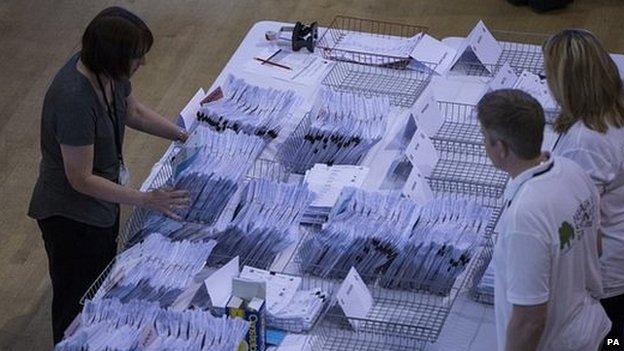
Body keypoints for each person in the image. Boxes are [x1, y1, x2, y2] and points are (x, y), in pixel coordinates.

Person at [27, 7, 191, 344]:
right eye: (136, 57)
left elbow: (132, 111)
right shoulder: (73, 99)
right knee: (77, 302)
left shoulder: (109, 73)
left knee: (100, 286)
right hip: (71, 217)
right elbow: (80, 179)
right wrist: (147, 200)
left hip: (100, 207)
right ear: (114, 58)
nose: (142, 64)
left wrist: (183, 135)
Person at [477, 89, 610, 351]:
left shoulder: (523, 220)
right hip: (597, 331)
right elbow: (596, 246)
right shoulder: (571, 170)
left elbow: (529, 321)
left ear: (501, 148)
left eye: (485, 138)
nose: (484, 145)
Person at [543, 28, 624, 344]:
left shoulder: (588, 141)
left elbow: (580, 221)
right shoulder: (612, 111)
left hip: (608, 269)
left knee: (610, 338)